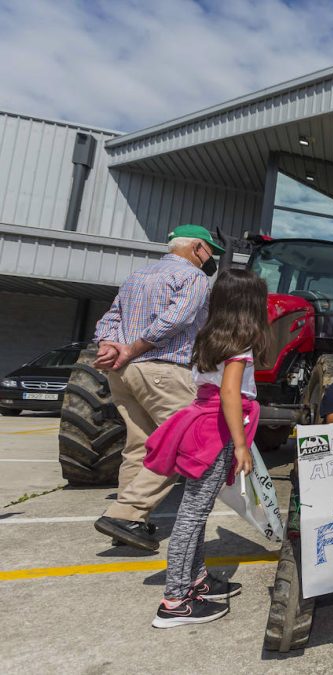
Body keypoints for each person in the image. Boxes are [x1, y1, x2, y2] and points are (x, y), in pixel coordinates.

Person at [142, 269, 266, 628]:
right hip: (216, 431)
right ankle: (176, 601)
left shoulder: (210, 337)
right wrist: (241, 446)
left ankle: (195, 580)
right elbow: (229, 393)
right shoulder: (240, 343)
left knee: (195, 509)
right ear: (249, 304)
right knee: (193, 515)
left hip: (203, 425)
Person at [92, 224, 222, 552]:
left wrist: (110, 346)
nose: (212, 259)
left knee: (140, 444)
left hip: (123, 374)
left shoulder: (138, 276)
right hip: (163, 370)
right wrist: (132, 348)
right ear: (197, 248)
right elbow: (175, 319)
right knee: (187, 443)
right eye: (210, 251)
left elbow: (109, 319)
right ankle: (127, 512)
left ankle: (130, 522)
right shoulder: (194, 278)